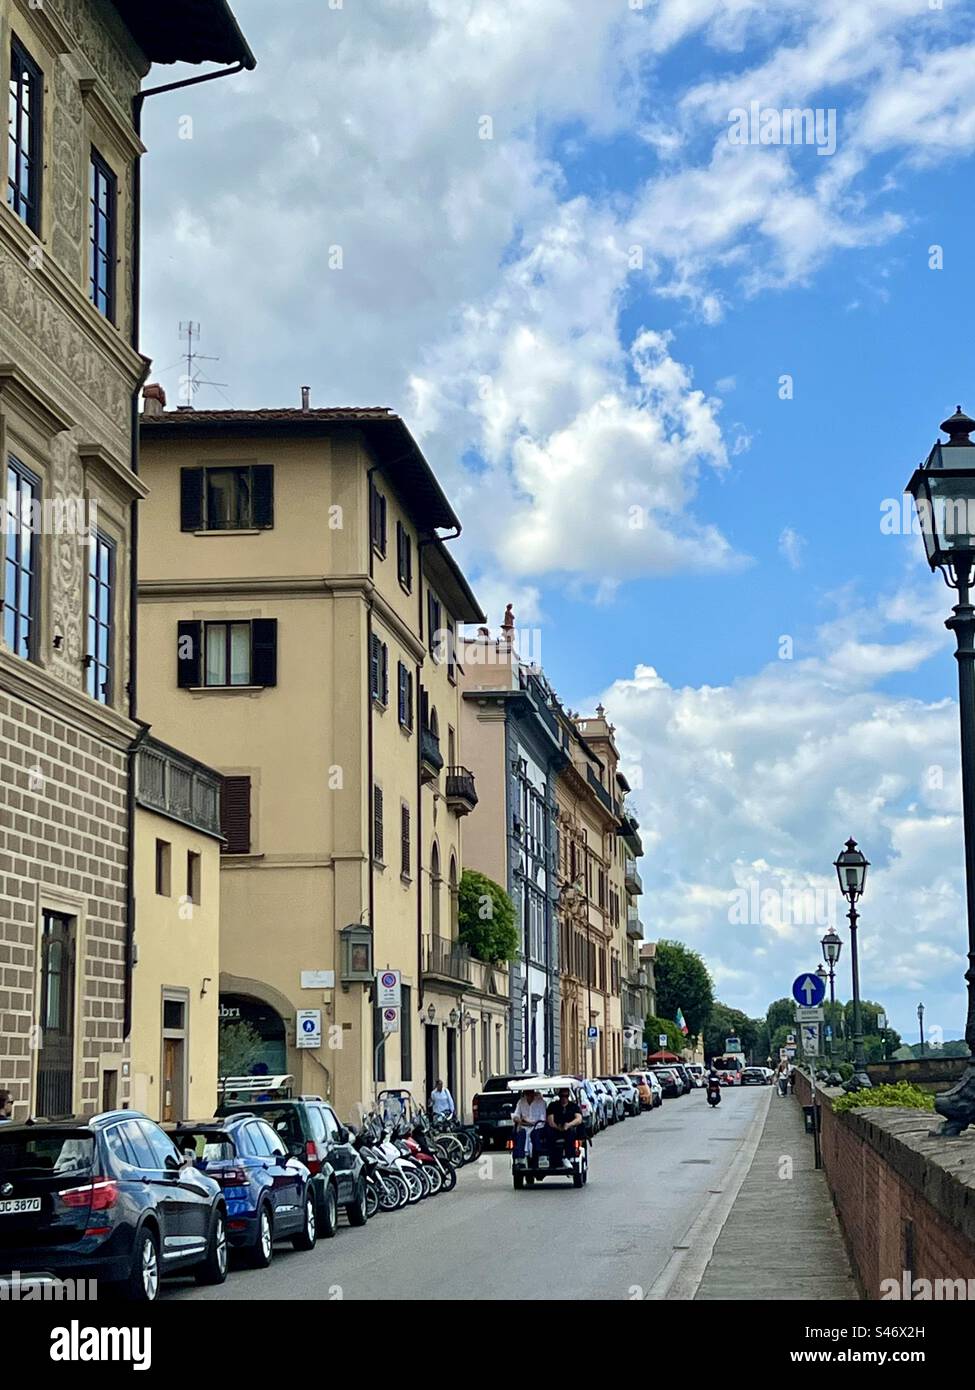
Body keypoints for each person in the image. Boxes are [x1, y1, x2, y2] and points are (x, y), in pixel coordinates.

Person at [544, 1086, 583, 1162]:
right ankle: (553, 1158)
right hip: (556, 1129)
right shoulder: (553, 1106)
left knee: (572, 1133)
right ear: (559, 1096)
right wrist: (558, 1127)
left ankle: (569, 1156)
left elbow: (579, 1119)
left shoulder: (573, 1106)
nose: (564, 1098)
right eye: (562, 1096)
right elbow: (550, 1121)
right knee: (549, 1133)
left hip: (569, 1129)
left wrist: (569, 1125)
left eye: (566, 1096)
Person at [511, 1087, 547, 1158]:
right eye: (527, 1093)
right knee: (520, 1133)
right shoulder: (521, 1101)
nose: (529, 1095)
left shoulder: (541, 1102)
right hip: (524, 1126)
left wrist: (530, 1123)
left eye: (530, 1093)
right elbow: (516, 1115)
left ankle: (537, 1156)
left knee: (534, 1134)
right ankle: (520, 1158)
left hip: (537, 1127)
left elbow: (542, 1119)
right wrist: (518, 1120)